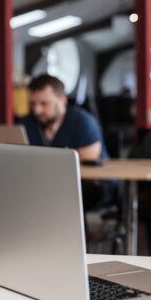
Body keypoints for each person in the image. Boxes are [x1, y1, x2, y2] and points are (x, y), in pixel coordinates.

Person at [21, 74, 113, 210]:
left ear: (62, 100)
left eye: (44, 104)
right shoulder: (27, 123)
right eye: (33, 104)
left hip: (91, 186)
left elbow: (86, 165)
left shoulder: (83, 121)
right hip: (45, 184)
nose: (37, 110)